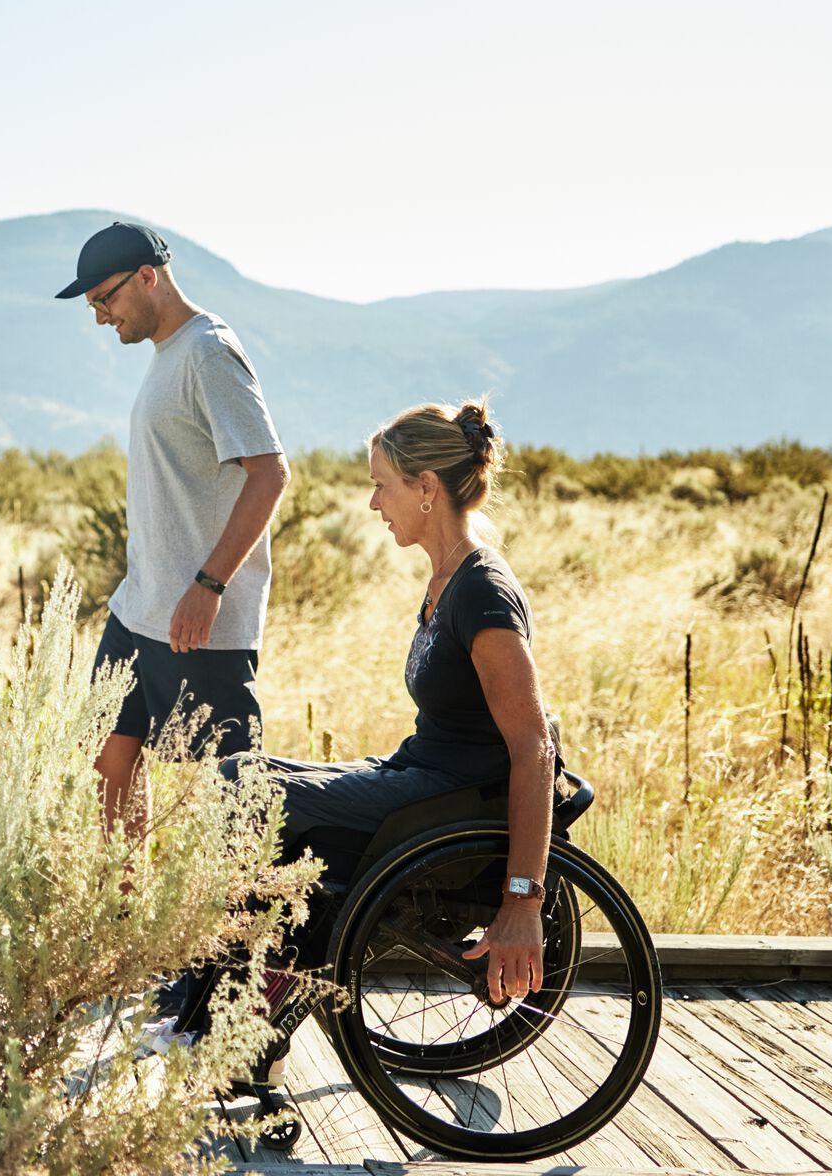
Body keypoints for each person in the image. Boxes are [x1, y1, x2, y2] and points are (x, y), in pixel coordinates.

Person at [242, 399, 555, 1005]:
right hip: (416, 774)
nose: (373, 504)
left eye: (382, 485)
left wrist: (522, 901)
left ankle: (251, 1002)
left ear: (426, 488)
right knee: (241, 775)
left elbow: (534, 748)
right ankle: (245, 994)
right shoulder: (447, 579)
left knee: (247, 791)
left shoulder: (483, 592)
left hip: (447, 800)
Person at [54, 221, 289, 827]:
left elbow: (269, 473)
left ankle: (250, 893)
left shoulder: (208, 351)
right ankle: (124, 890)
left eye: (104, 299)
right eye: (92, 306)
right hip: (140, 605)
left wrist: (209, 585)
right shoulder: (170, 353)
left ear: (147, 277)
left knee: (233, 790)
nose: (100, 317)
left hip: (196, 620)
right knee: (109, 751)